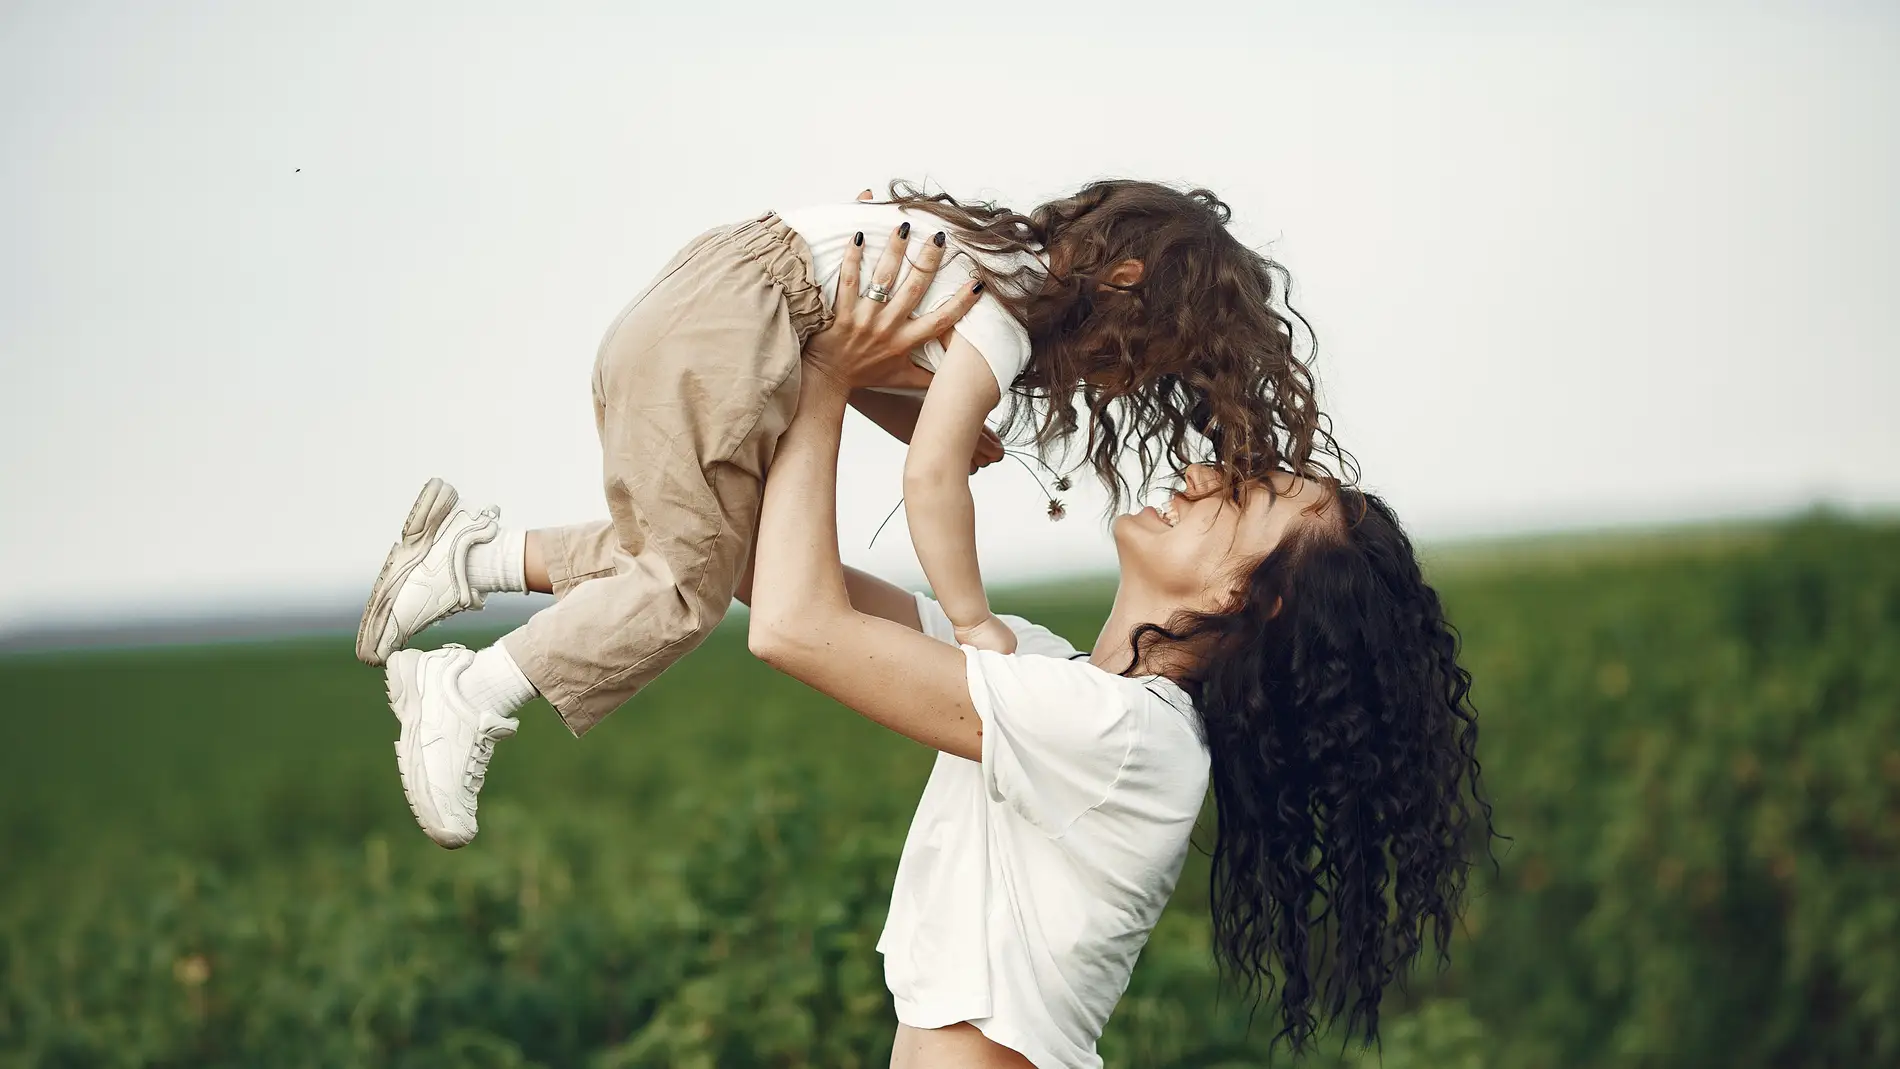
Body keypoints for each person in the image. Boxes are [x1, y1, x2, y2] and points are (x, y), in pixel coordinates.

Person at [357, 179, 1334, 848]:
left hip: (701, 302)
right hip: (731, 332)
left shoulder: (983, 257)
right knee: (683, 592)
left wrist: (913, 413)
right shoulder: (1008, 309)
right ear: (1126, 285)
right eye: (1146, 356)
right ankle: (466, 692)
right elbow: (929, 484)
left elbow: (841, 328)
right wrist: (970, 617)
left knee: (693, 544)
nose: (1121, 381)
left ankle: (469, 557)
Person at [735, 254, 1497, 1066]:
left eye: (1243, 496)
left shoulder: (1127, 735)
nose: (1202, 475)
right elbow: (753, 566)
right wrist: (854, 350)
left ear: (1253, 598)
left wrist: (826, 368)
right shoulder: (1038, 668)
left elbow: (794, 624)